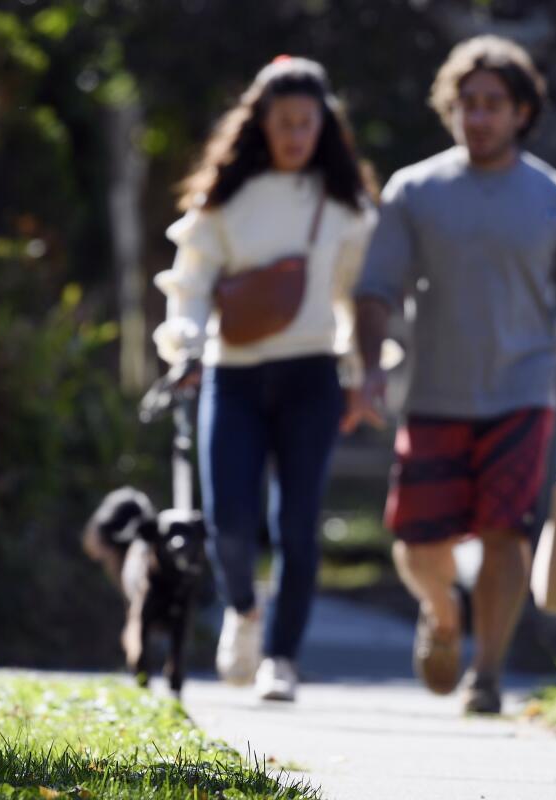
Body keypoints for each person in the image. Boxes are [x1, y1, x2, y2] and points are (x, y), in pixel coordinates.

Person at [344, 35, 556, 714]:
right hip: (435, 395)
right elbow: (375, 288)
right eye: (468, 104)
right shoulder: (416, 191)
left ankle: (487, 674)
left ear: (522, 112)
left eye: (493, 104)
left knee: (507, 534)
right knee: (416, 541)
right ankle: (441, 611)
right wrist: (372, 367)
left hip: (524, 395)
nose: (479, 117)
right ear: (451, 109)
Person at [152, 56, 377, 702]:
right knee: (227, 519)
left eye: (308, 122)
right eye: (285, 122)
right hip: (234, 374)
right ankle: (243, 610)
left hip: (313, 374)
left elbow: (359, 298)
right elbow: (190, 285)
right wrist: (187, 343)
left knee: (297, 523)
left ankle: (282, 657)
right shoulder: (223, 202)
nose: (296, 135)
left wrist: (362, 375)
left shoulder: (344, 208)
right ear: (261, 124)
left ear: (323, 126)